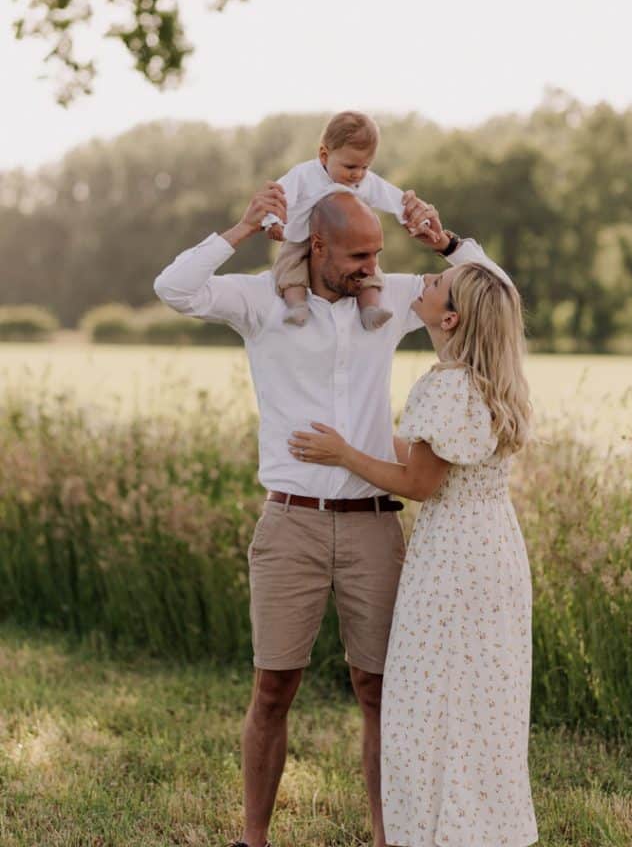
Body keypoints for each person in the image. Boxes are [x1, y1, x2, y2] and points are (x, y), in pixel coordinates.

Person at [152, 179, 505, 847]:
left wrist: (447, 243)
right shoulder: (260, 300)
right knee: (272, 688)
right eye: (356, 257)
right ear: (317, 246)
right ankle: (252, 840)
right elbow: (174, 287)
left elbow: (494, 293)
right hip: (291, 525)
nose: (372, 267)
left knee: (379, 694)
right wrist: (239, 227)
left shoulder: (391, 297)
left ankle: (385, 838)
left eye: (376, 254)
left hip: (375, 523)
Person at [289, 262, 539, 847]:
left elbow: (421, 482)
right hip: (495, 547)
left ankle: (435, 832)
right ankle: (479, 826)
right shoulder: (486, 379)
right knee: (481, 699)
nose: (421, 282)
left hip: (452, 557)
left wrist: (344, 454)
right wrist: (363, 439)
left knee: (429, 698)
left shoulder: (447, 384)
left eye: (434, 284)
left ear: (449, 317)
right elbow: (433, 457)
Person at [263, 109, 434, 329]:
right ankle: (297, 306)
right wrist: (273, 221)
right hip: (301, 236)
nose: (358, 174)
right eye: (351, 167)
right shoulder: (304, 175)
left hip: (345, 246)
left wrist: (416, 218)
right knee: (288, 268)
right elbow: (279, 195)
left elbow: (392, 197)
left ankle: (370, 309)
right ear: (324, 155)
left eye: (365, 167)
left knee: (369, 272)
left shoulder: (365, 182)